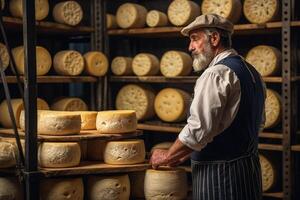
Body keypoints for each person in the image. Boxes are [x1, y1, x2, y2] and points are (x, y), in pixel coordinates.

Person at [150, 14, 265, 200]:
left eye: (195, 39)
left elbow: (199, 128)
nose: (190, 47)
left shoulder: (216, 74)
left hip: (220, 177)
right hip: (247, 172)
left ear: (214, 38)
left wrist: (168, 156)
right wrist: (186, 151)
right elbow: (254, 124)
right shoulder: (252, 72)